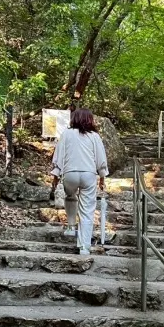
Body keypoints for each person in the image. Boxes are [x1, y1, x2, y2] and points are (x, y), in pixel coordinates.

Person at [50, 108, 109, 256]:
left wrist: (56, 175)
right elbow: (101, 159)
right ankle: (84, 247)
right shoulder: (94, 136)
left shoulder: (66, 134)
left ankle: (71, 226)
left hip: (70, 173)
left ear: (74, 119)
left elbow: (59, 156)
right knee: (87, 211)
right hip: (89, 174)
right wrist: (102, 177)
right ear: (90, 120)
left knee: (70, 196)